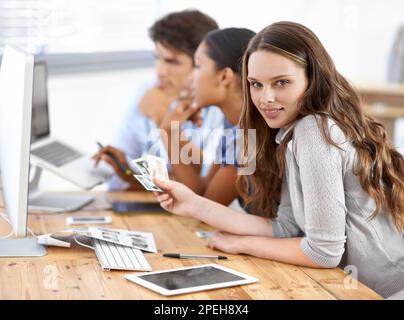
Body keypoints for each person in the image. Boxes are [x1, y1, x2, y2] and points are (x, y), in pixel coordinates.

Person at [153, 21, 404, 298]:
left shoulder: (313, 131)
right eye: (256, 84)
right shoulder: (285, 133)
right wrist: (192, 204)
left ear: (312, 78)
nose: (266, 98)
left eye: (281, 82)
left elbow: (324, 252)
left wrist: (243, 244)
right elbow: (286, 227)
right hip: (356, 286)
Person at [93, 9, 222, 190]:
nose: (160, 71)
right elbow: (127, 170)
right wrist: (128, 172)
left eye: (172, 62)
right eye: (157, 59)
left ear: (202, 62)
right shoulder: (147, 92)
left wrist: (164, 119)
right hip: (152, 202)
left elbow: (202, 184)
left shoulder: (219, 105)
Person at [157, 28, 256, 206]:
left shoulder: (248, 134)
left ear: (224, 76)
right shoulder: (233, 126)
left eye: (198, 65)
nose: (191, 77)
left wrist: (169, 131)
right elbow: (202, 190)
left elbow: (206, 208)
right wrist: (171, 132)